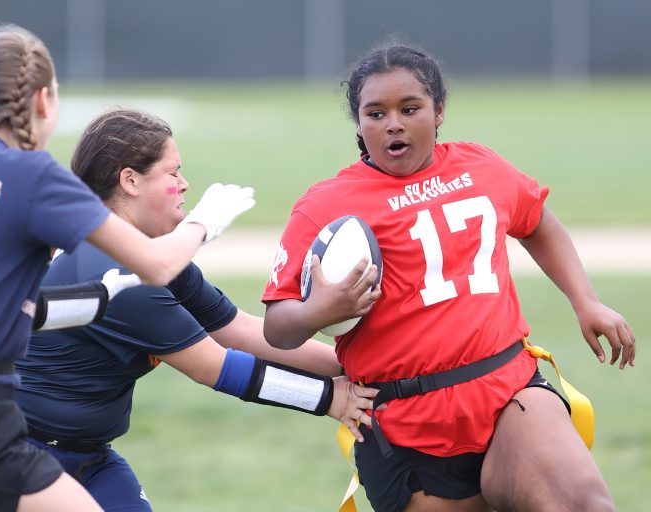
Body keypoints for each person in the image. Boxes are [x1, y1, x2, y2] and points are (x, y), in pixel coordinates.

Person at [0, 24, 255, 512]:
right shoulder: (30, 173)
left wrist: (103, 298)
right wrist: (205, 222)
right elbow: (160, 262)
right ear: (43, 101)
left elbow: (13, 312)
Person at [261, 41, 636, 512]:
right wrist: (317, 311)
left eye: (409, 108)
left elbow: (538, 222)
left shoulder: (481, 167)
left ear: (438, 112)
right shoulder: (325, 206)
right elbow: (277, 326)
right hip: (407, 423)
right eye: (375, 113)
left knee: (583, 505)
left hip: (508, 391)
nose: (393, 123)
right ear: (358, 123)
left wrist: (586, 301)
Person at [13, 107, 379, 511]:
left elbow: (239, 329)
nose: (185, 184)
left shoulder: (154, 257)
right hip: (18, 454)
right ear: (130, 180)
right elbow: (215, 368)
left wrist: (353, 365)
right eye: (173, 173)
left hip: (90, 455)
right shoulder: (114, 267)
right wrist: (329, 399)